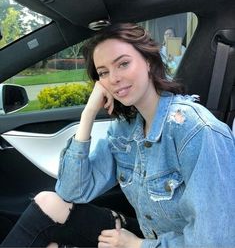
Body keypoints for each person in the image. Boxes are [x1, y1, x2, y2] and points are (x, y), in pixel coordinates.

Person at [1, 22, 235, 248]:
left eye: (123, 64)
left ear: (149, 62)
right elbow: (71, 192)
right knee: (47, 202)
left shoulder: (196, 131)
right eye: (103, 72)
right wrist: (89, 113)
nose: (113, 78)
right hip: (146, 236)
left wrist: (138, 245)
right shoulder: (125, 129)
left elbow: (214, 241)